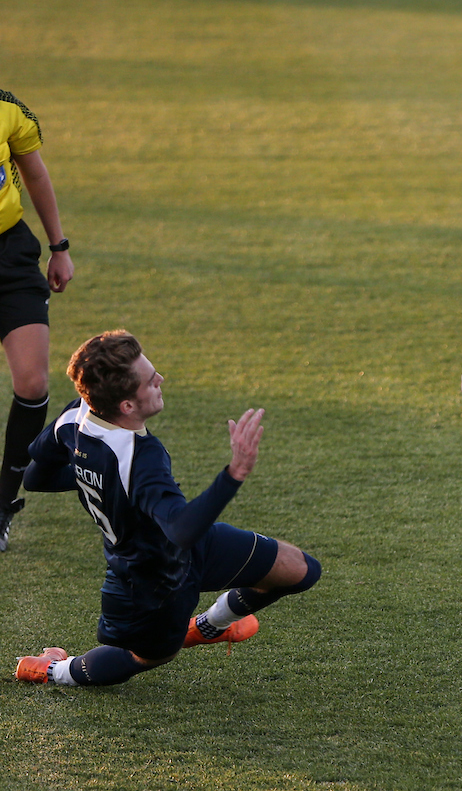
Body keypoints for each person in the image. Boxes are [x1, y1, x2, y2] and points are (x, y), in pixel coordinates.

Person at [13, 331, 321, 686]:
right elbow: (180, 529)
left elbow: (37, 476)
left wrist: (102, 481)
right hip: (152, 580)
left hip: (191, 548)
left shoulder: (75, 416)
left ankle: (209, 625)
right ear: (127, 405)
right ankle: (54, 670)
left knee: (301, 570)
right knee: (146, 657)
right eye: (149, 380)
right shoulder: (141, 457)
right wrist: (234, 473)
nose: (160, 379)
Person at [0, 89, 75, 551]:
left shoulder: (8, 109)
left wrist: (59, 246)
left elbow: (36, 173)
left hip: (10, 254)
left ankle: (3, 505)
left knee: (32, 384)